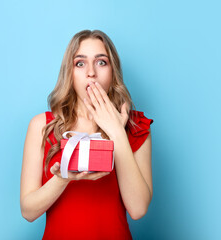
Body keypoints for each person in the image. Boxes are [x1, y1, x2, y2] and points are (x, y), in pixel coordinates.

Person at [20, 29, 154, 240]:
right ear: (70, 73)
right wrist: (62, 179)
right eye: (80, 63)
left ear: (113, 71)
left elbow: (138, 209)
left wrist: (117, 132)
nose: (91, 72)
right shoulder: (42, 126)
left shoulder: (136, 126)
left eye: (101, 62)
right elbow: (28, 211)